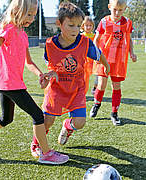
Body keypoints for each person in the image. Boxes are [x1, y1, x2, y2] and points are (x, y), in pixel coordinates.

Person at [0, 0, 69, 165]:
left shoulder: (23, 35)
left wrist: (41, 74)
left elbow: (29, 62)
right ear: (17, 11)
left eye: (34, 15)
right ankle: (46, 153)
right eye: (29, 14)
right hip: (10, 84)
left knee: (6, 119)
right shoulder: (9, 30)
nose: (32, 19)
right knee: (37, 115)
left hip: (9, 85)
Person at [30, 2, 109, 157]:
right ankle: (36, 144)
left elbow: (99, 55)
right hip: (57, 88)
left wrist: (106, 66)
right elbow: (49, 63)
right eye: (71, 25)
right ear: (59, 23)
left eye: (78, 25)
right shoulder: (50, 44)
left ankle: (67, 126)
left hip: (76, 88)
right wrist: (48, 76)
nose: (76, 29)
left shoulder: (85, 43)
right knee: (47, 121)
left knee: (80, 122)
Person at [89, 0, 137, 126]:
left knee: (116, 86)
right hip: (104, 59)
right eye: (115, 9)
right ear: (110, 7)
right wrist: (96, 54)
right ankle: (96, 104)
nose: (117, 12)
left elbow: (129, 39)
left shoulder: (127, 23)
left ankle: (114, 113)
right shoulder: (104, 22)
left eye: (120, 10)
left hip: (119, 60)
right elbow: (96, 39)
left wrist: (132, 52)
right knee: (101, 84)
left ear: (125, 9)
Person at [81, 16, 97, 95]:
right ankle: (82, 93)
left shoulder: (95, 37)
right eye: (86, 25)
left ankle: (95, 88)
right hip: (84, 62)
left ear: (93, 26)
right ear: (83, 26)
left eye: (90, 25)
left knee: (98, 76)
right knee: (84, 79)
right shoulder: (80, 36)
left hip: (93, 61)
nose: (88, 27)